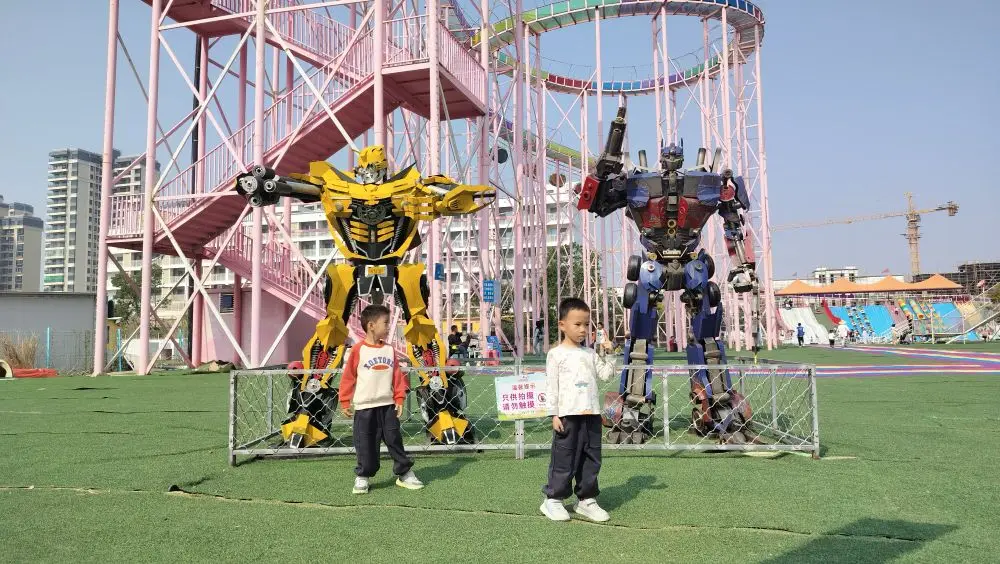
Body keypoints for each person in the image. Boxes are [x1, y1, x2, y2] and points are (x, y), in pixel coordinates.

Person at [540, 297, 616, 523]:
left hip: (591, 414)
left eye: (586, 324)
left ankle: (586, 500)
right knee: (564, 459)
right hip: (567, 416)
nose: (583, 329)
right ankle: (553, 499)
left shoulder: (590, 354)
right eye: (577, 324)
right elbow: (551, 386)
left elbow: (606, 375)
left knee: (591, 458)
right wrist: (554, 414)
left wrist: (610, 354)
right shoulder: (556, 354)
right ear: (562, 325)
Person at [339, 304, 424, 494]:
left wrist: (399, 398)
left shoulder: (389, 350)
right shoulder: (358, 350)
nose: (388, 327)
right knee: (365, 444)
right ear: (371, 326)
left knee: (394, 440)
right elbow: (348, 377)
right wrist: (345, 401)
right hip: (364, 408)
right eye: (385, 323)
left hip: (387, 406)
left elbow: (397, 376)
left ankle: (405, 473)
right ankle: (363, 476)